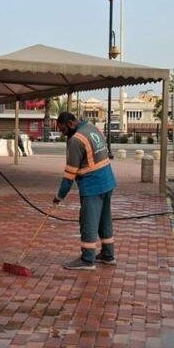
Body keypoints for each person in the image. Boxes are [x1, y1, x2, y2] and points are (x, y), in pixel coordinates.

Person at [53, 111, 116, 270]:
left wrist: (59, 196)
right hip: (108, 181)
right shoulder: (91, 127)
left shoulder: (76, 140)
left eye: (63, 130)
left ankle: (87, 260)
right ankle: (108, 255)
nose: (62, 134)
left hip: (93, 186)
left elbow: (70, 174)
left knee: (88, 221)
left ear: (70, 124)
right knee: (104, 219)